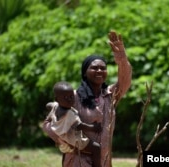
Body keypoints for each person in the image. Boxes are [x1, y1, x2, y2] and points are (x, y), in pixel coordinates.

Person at [42, 30, 132, 167]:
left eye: (103, 68)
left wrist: (121, 57)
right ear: (85, 72)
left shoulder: (110, 96)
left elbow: (125, 81)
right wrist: (65, 142)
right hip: (78, 160)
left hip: (103, 161)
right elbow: (48, 124)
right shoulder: (72, 97)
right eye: (94, 68)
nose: (99, 71)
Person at [46, 81, 102, 167]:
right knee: (96, 148)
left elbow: (48, 105)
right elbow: (80, 126)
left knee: (65, 155)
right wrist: (94, 127)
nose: (70, 100)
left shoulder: (56, 106)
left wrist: (50, 106)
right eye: (66, 97)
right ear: (57, 99)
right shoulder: (69, 114)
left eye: (71, 96)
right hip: (72, 139)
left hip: (61, 136)